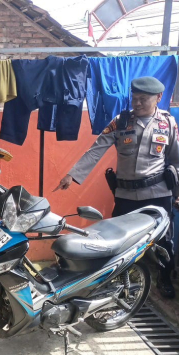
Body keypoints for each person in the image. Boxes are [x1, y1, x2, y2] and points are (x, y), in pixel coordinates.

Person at [55, 76, 179, 299]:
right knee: (119, 242)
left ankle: (164, 277)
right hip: (126, 195)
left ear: (159, 97)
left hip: (159, 194)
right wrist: (72, 175)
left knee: (164, 240)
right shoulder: (120, 122)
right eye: (134, 98)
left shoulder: (168, 123)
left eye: (143, 99)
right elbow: (97, 148)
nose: (137, 103)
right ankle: (120, 282)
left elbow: (176, 159)